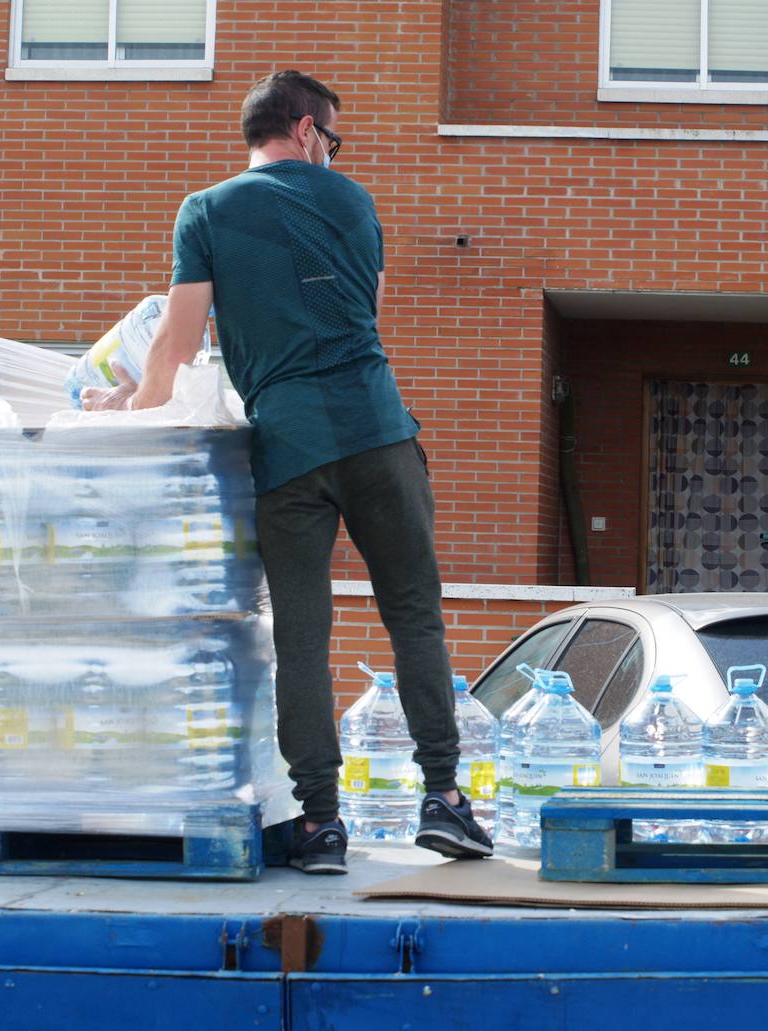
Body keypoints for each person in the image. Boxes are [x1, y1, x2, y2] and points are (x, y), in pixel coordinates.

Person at [83, 70, 492, 872]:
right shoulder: (356, 205)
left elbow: (175, 347)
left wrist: (120, 411)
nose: (335, 154)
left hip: (288, 451)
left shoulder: (206, 211)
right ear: (306, 130)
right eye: (332, 139)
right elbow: (359, 313)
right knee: (414, 616)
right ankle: (443, 797)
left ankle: (320, 822)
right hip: (378, 434)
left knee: (301, 637)